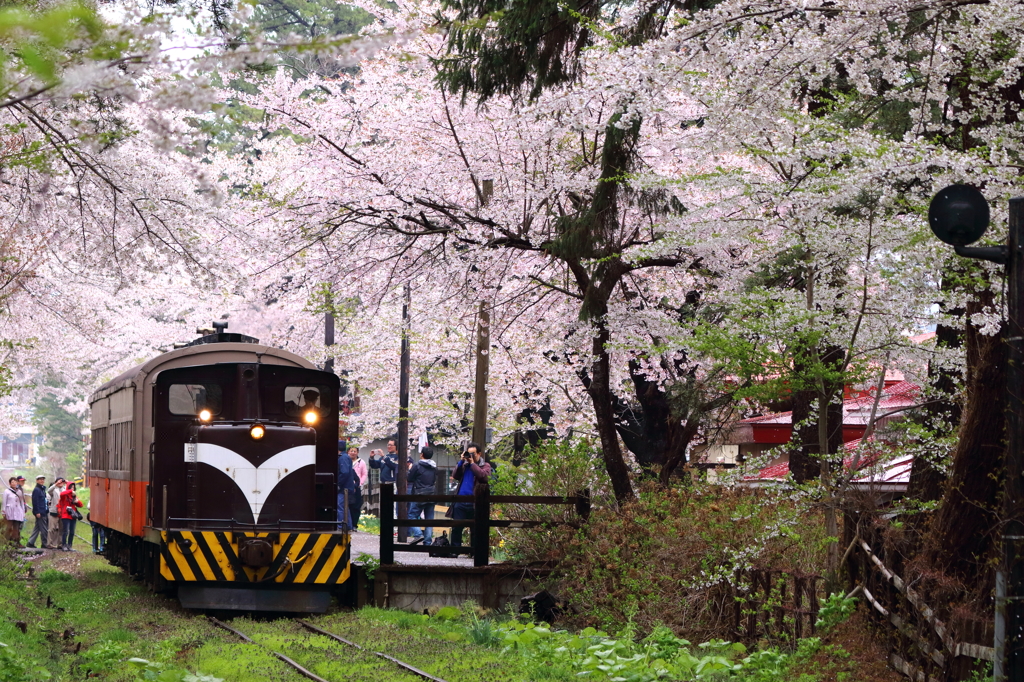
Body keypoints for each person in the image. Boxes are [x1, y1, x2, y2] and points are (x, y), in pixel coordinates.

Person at [450, 442, 492, 549]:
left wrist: (472, 464)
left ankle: (474, 552)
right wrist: (461, 461)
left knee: (475, 529)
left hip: (475, 502)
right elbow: (455, 475)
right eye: (469, 453)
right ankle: (455, 550)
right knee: (456, 528)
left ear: (479, 454)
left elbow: (484, 476)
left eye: (473, 453)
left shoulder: (485, 465)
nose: (471, 456)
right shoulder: (464, 465)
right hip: (460, 501)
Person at [407, 446, 438, 544]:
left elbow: (410, 478)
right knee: (429, 519)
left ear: (422, 455)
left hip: (419, 494)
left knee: (411, 515)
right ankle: (427, 541)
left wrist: (410, 469)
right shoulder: (434, 467)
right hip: (432, 494)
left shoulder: (417, 465)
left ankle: (418, 534)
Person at [337, 441, 359, 531]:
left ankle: (341, 525)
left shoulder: (342, 458)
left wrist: (338, 484)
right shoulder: (346, 457)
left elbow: (344, 472)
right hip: (347, 486)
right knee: (345, 506)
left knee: (340, 506)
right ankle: (348, 525)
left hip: (344, 487)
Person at [58, 482, 83, 551]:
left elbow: (81, 505)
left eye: (73, 487)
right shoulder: (64, 496)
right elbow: (61, 494)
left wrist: (76, 502)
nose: (72, 489)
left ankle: (69, 545)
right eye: (71, 487)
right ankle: (64, 545)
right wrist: (71, 491)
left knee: (72, 532)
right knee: (65, 531)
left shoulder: (74, 496)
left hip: (73, 516)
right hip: (65, 515)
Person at [26, 475, 48, 549]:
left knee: (37, 528)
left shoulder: (42, 489)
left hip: (43, 510)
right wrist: (37, 512)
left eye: (43, 479)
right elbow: (35, 502)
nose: (42, 481)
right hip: (40, 512)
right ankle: (44, 544)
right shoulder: (37, 490)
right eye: (40, 479)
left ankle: (30, 542)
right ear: (37, 480)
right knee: (44, 528)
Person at [347, 446, 365, 529]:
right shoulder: (346, 461)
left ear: (357, 453)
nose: (353, 452)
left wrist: (359, 484)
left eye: (355, 451)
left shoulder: (361, 462)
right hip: (347, 486)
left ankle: (354, 524)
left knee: (356, 506)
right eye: (351, 451)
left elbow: (364, 474)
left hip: (357, 486)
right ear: (348, 452)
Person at [2, 477, 25, 545]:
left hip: (18, 512)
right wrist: (3, 511)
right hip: (9, 511)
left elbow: (22, 502)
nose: (14, 483)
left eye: (15, 482)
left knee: (16, 527)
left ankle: (16, 542)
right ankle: (6, 543)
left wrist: (23, 511)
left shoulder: (19, 491)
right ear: (10, 483)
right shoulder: (7, 491)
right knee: (8, 527)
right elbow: (4, 502)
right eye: (12, 482)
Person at [45, 478, 66, 550]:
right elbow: (48, 491)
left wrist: (67, 482)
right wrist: (55, 484)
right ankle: (49, 543)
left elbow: (72, 490)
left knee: (61, 528)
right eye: (59, 482)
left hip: (63, 511)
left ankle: (60, 544)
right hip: (54, 511)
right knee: (52, 528)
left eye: (61, 481)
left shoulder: (65, 489)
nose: (60, 483)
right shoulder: (53, 489)